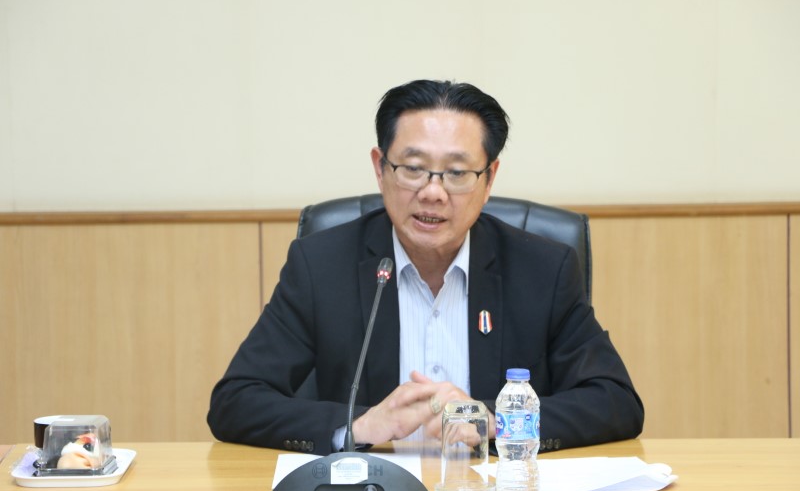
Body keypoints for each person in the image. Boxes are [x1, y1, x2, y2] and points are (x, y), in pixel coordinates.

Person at [207, 79, 644, 455]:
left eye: (457, 173)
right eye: (414, 169)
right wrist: (359, 426)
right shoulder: (321, 267)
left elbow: (616, 401)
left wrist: (495, 422)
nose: (433, 192)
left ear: (489, 180)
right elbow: (235, 402)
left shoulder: (542, 270)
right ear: (380, 169)